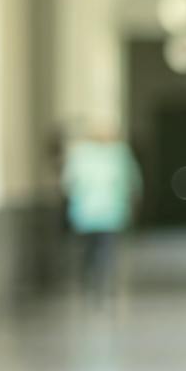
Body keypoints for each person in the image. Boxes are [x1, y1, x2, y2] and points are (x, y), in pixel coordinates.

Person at [60, 123, 142, 300]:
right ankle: (103, 282)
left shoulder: (80, 154)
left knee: (89, 250)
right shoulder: (119, 153)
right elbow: (134, 181)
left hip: (85, 214)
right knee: (106, 250)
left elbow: (67, 182)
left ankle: (91, 280)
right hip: (111, 213)